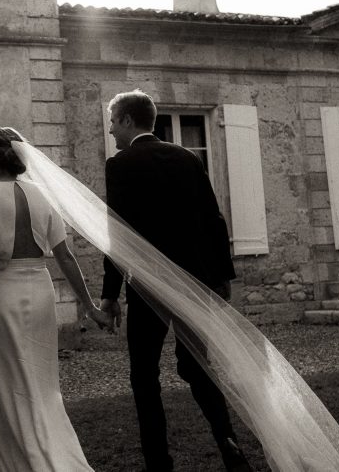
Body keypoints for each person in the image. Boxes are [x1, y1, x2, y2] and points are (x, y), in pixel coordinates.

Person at [101, 90, 252, 472]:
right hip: (195, 282)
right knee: (198, 367)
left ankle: (159, 463)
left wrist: (109, 295)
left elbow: (117, 233)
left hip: (149, 286)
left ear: (129, 121)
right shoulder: (188, 158)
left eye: (113, 121)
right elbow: (214, 221)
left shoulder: (121, 164)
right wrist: (222, 277)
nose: (110, 128)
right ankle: (227, 443)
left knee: (144, 377)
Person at [0, 127, 112, 471]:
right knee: (42, 384)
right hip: (41, 292)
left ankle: (28, 461)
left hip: (2, 294)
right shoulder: (44, 197)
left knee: (8, 385)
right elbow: (66, 257)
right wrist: (90, 307)